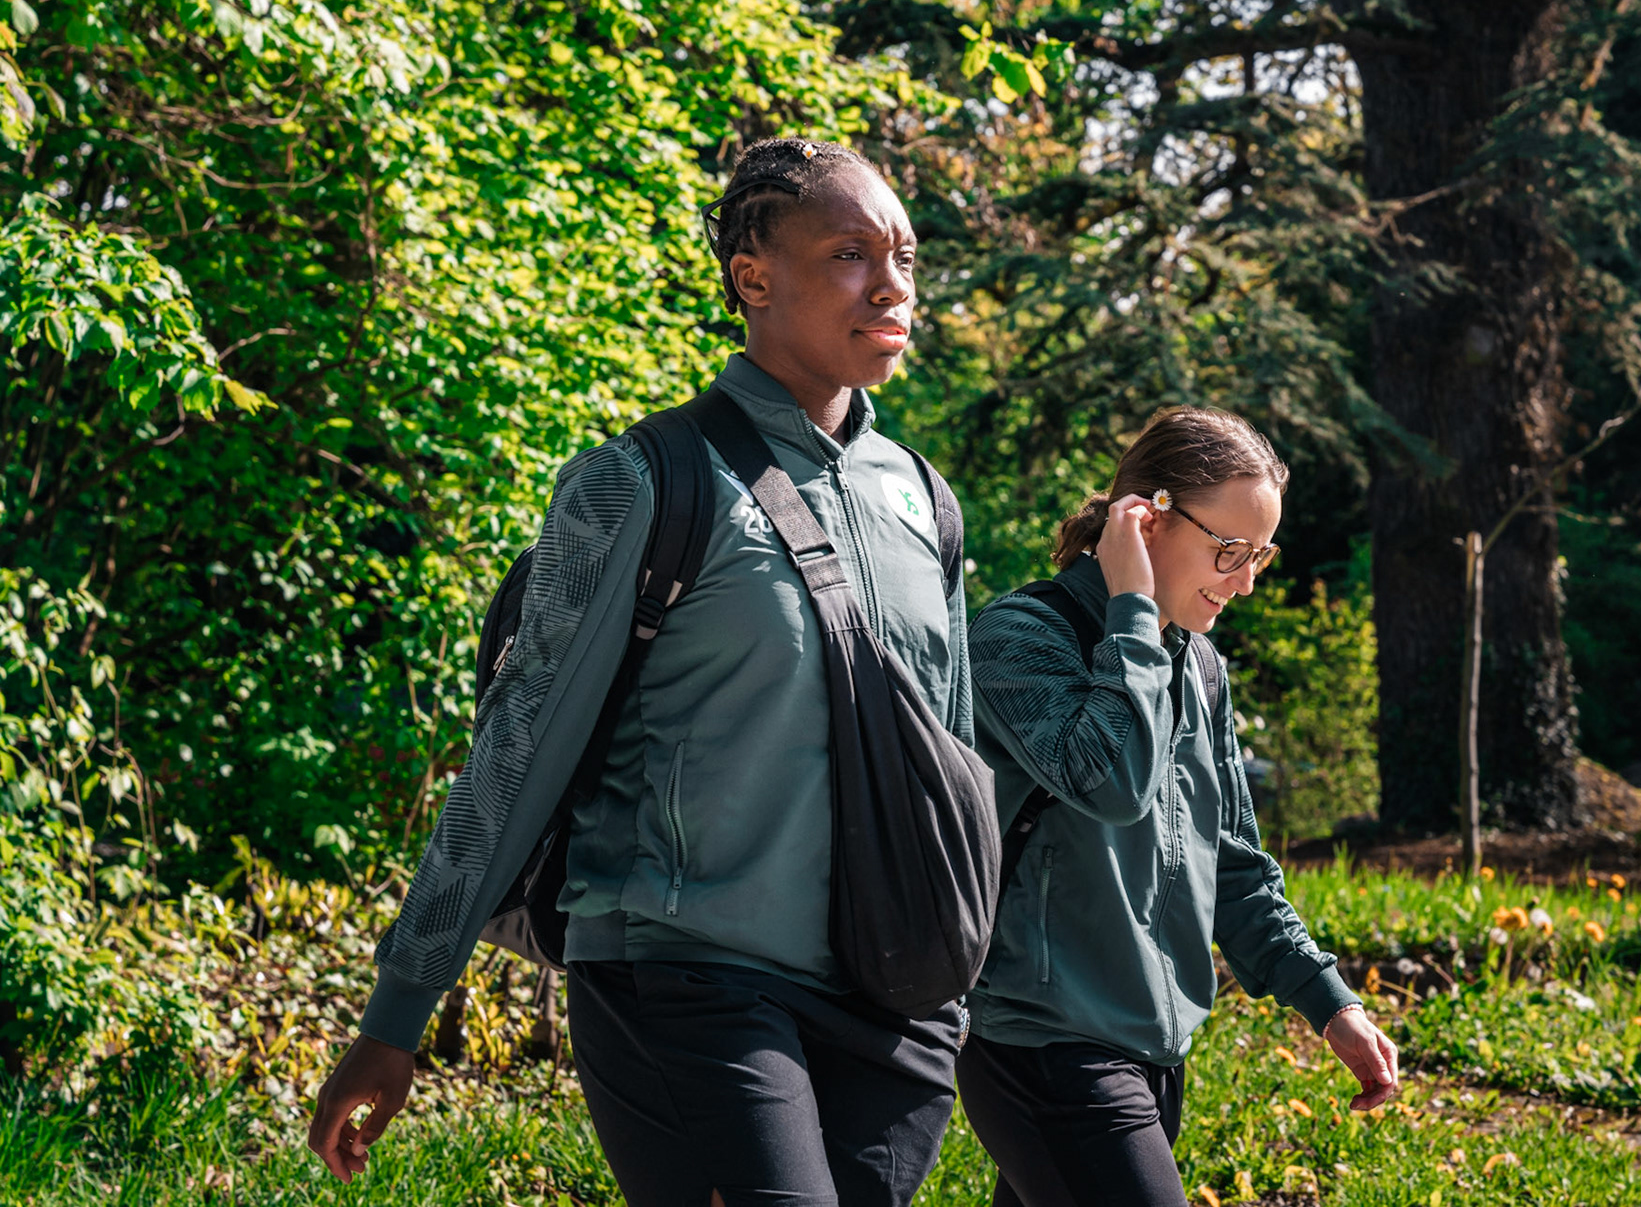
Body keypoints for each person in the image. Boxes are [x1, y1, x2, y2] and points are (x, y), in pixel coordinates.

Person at [308, 138, 974, 1207]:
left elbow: (952, 775)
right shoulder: (646, 481)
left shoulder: (924, 499)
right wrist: (398, 1013)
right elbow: (513, 757)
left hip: (892, 1005)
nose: (892, 282)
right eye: (850, 253)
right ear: (752, 276)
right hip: (690, 976)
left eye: (902, 252)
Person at [957, 406, 1399, 1207]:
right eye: (1230, 551)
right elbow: (1111, 782)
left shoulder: (1198, 667)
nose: (1248, 580)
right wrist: (1131, 611)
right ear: (1148, 520)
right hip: (1043, 1047)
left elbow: (1234, 866)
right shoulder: (1020, 636)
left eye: (1260, 553)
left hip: (1154, 1056)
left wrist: (1329, 1003)